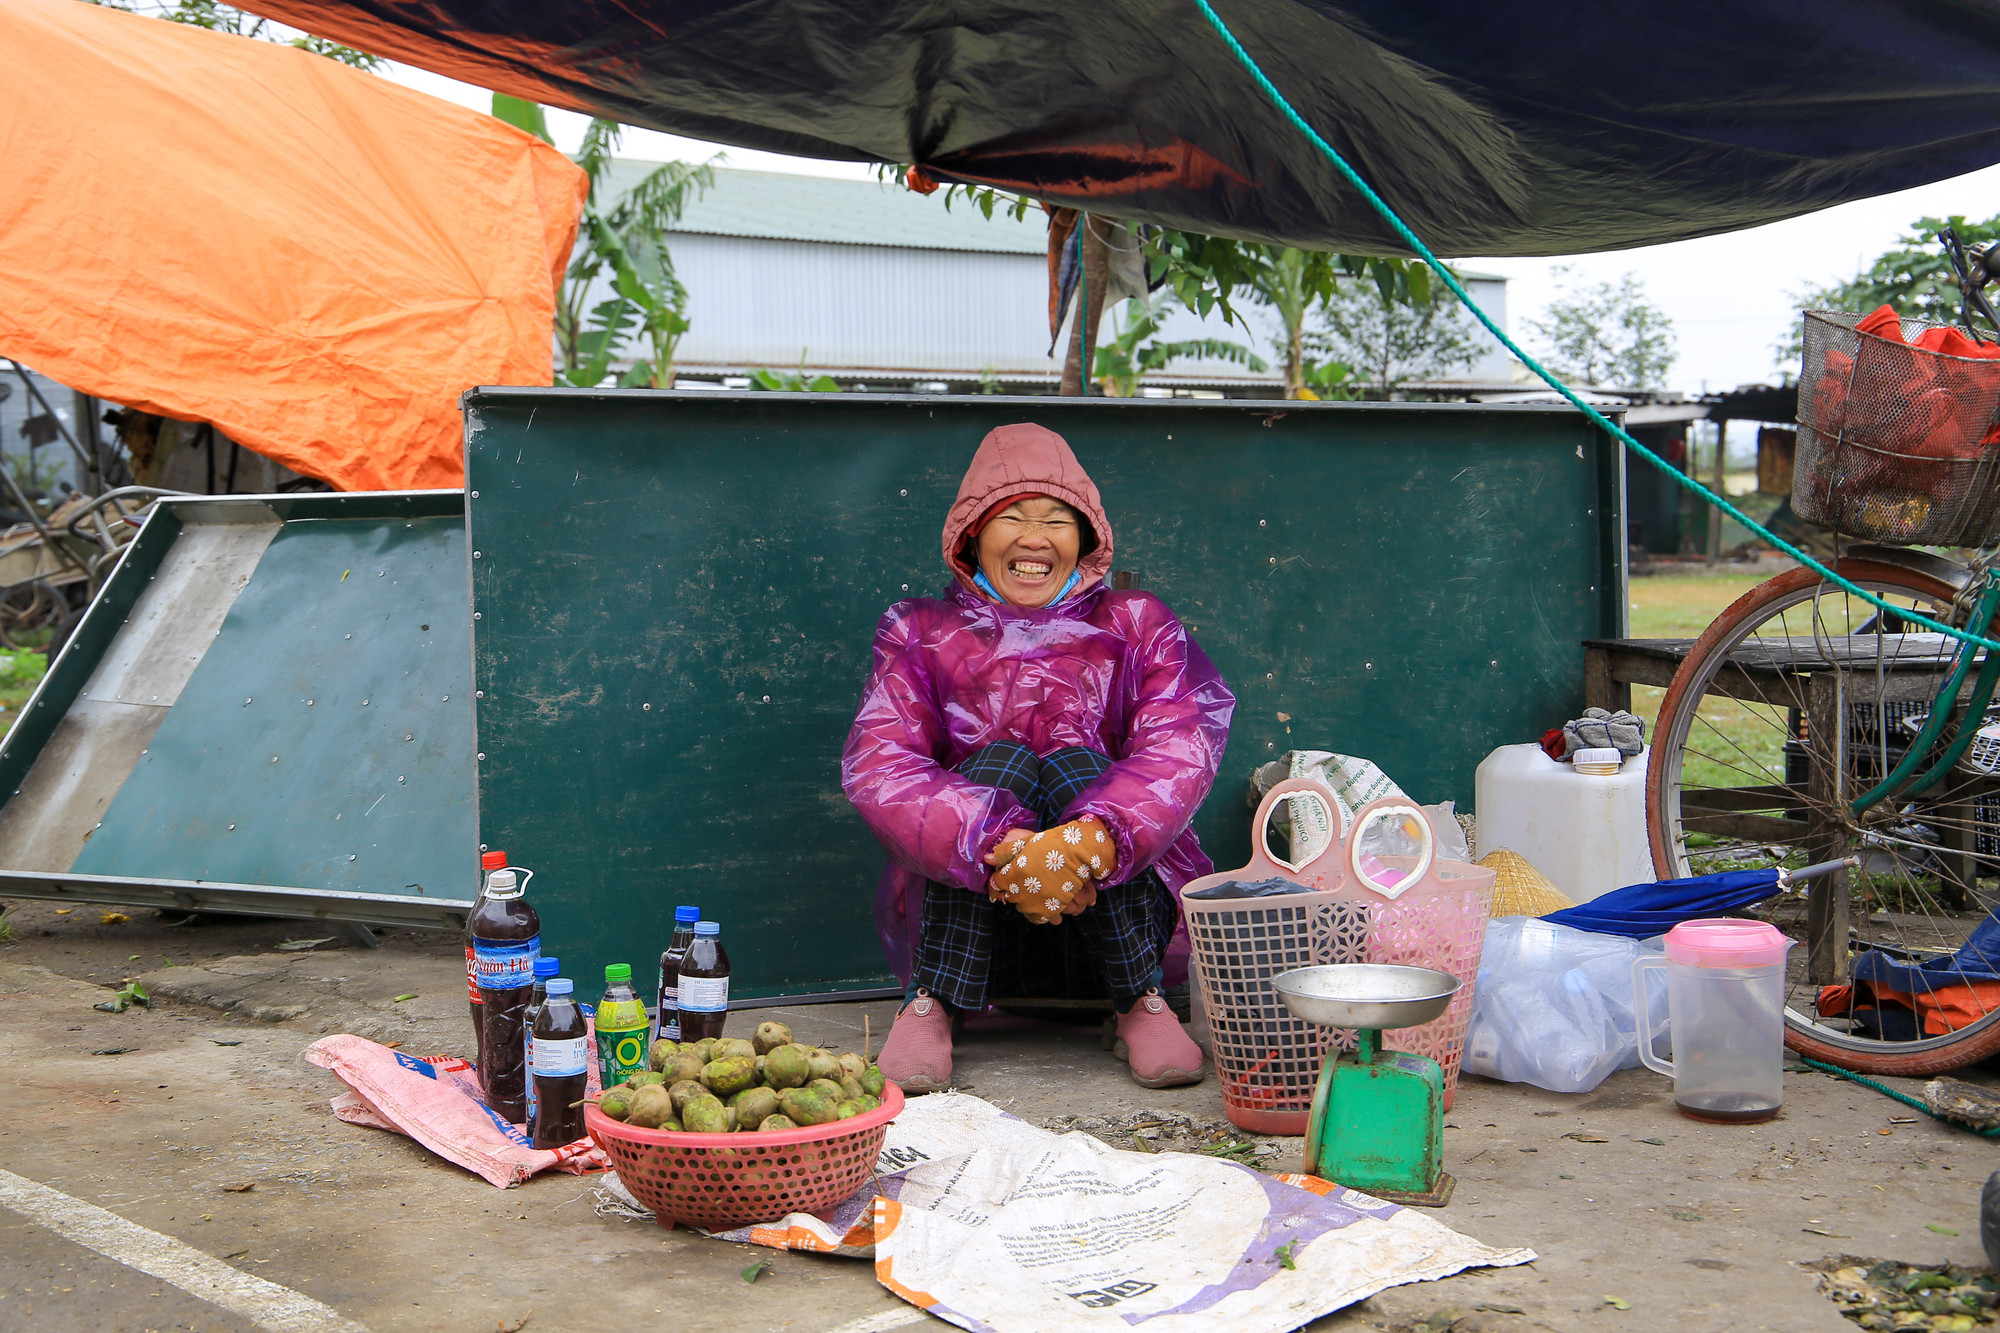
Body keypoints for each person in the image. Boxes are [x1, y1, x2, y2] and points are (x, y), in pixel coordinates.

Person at [842, 422, 1235, 1092]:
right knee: (999, 764)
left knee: (1080, 769)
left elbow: (1180, 744)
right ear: (971, 536)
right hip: (980, 946)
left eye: (1056, 518)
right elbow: (883, 765)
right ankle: (933, 1000)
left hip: (1109, 940)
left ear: (1085, 539)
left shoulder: (1137, 623)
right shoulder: (919, 632)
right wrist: (999, 848)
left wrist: (1091, 842)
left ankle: (1139, 1000)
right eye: (1011, 516)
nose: (1034, 537)